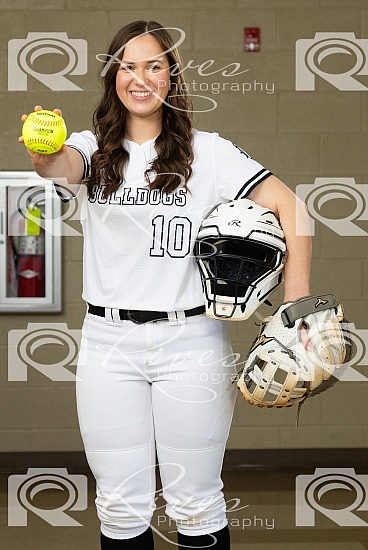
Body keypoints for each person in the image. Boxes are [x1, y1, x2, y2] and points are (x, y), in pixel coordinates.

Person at [20, 20, 311, 550]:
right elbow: (58, 166)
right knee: (119, 506)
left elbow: (294, 208)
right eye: (127, 66)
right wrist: (44, 154)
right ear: (112, 78)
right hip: (108, 344)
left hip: (192, 341)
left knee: (196, 501)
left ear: (172, 76)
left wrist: (294, 307)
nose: (140, 78)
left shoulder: (211, 153)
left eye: (154, 65)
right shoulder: (91, 148)